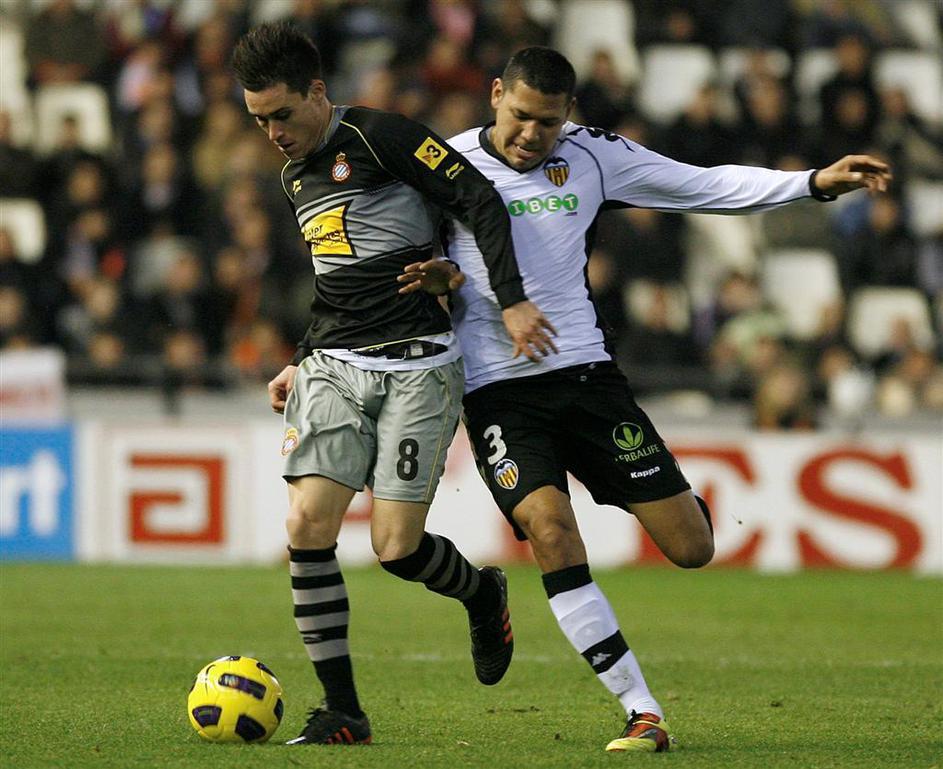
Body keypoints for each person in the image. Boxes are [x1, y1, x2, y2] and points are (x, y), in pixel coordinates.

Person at [398, 46, 891, 753]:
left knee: (690, 547)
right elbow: (405, 257)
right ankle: (641, 709)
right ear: (496, 94)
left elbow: (702, 185)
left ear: (568, 114)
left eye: (547, 122)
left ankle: (671, 501)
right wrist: (440, 279)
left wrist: (811, 182)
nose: (531, 135)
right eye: (520, 116)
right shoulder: (445, 164)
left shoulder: (593, 156)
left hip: (587, 380)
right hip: (498, 390)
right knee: (549, 530)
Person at [230, 24, 556, 746]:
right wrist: (300, 356)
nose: (273, 132)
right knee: (306, 526)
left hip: (419, 366)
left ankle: (482, 593)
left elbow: (479, 200)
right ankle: (343, 711)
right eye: (258, 120)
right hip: (333, 365)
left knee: (396, 548)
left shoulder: (382, 138)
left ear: (318, 92)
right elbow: (337, 284)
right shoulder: (293, 180)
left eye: (282, 114)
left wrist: (503, 297)